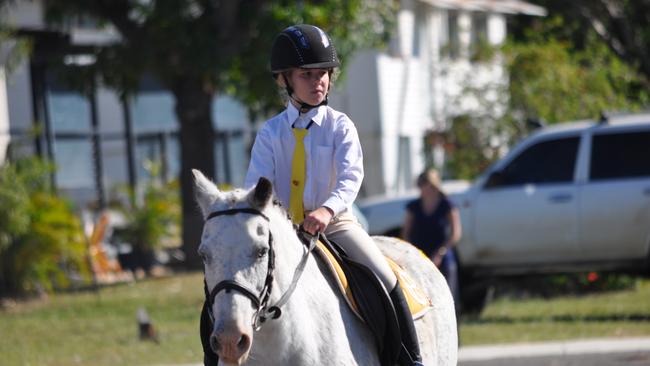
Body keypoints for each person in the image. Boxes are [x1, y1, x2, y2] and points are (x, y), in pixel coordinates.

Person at [244, 24, 423, 366]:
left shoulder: (340, 126)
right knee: (230, 285)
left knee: (384, 276)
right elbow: (259, 186)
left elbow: (351, 177)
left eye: (324, 73)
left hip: (335, 224)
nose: (319, 82)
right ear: (285, 80)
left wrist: (326, 210)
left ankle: (410, 357)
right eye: (307, 74)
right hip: (284, 230)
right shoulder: (270, 133)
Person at [402, 169, 462, 314]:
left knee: (447, 296)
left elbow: (456, 233)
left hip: (441, 254)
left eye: (424, 184)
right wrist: (413, 254)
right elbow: (406, 233)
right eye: (420, 185)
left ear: (433, 185)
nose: (422, 188)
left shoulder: (447, 205)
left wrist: (441, 253)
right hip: (420, 255)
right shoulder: (414, 206)